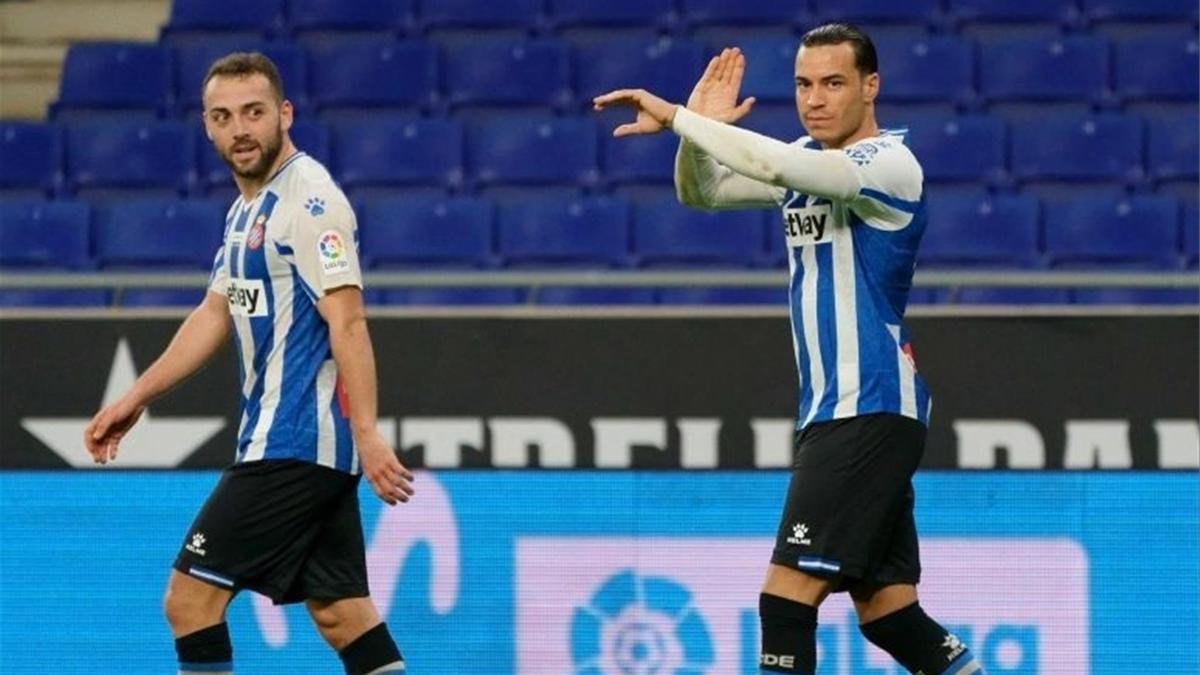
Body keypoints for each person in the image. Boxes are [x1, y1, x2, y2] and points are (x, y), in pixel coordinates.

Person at [594, 23, 983, 675]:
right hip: (845, 411)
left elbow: (774, 164)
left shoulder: (887, 164)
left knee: (785, 599)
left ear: (870, 86)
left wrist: (684, 119)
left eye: (834, 82)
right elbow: (705, 190)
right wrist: (698, 135)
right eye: (803, 83)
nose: (816, 98)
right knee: (890, 612)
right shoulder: (812, 160)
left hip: (867, 404)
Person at [83, 52, 413, 675]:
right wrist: (135, 398)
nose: (240, 129)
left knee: (190, 602)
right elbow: (215, 312)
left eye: (254, 112)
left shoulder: (310, 201)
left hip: (291, 447)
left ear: (284, 115)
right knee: (343, 615)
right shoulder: (245, 211)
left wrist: (369, 433)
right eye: (223, 116)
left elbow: (348, 320)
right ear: (207, 127)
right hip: (299, 449)